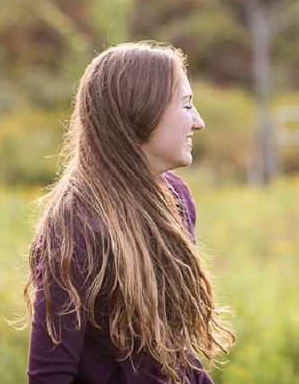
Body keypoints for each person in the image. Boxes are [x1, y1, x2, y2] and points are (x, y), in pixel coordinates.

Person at [25, 41, 233, 383]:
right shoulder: (76, 227)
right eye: (186, 105)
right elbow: (50, 374)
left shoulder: (176, 198)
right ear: (141, 112)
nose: (199, 122)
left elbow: (173, 348)